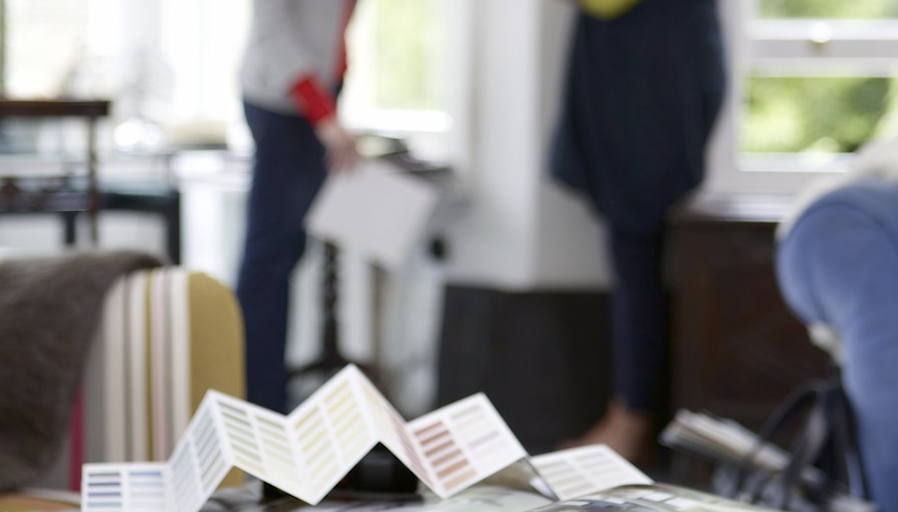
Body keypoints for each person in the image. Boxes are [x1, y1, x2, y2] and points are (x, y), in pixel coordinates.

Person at [550, 0, 726, 463]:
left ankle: (632, 419)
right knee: (633, 252)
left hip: (650, 68)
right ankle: (629, 415)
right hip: (651, 60)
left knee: (635, 249)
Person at [237, 0, 360, 413]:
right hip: (283, 102)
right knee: (268, 260)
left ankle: (268, 397)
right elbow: (274, 29)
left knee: (288, 252)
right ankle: (258, 405)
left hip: (320, 96)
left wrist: (331, 99)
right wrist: (323, 113)